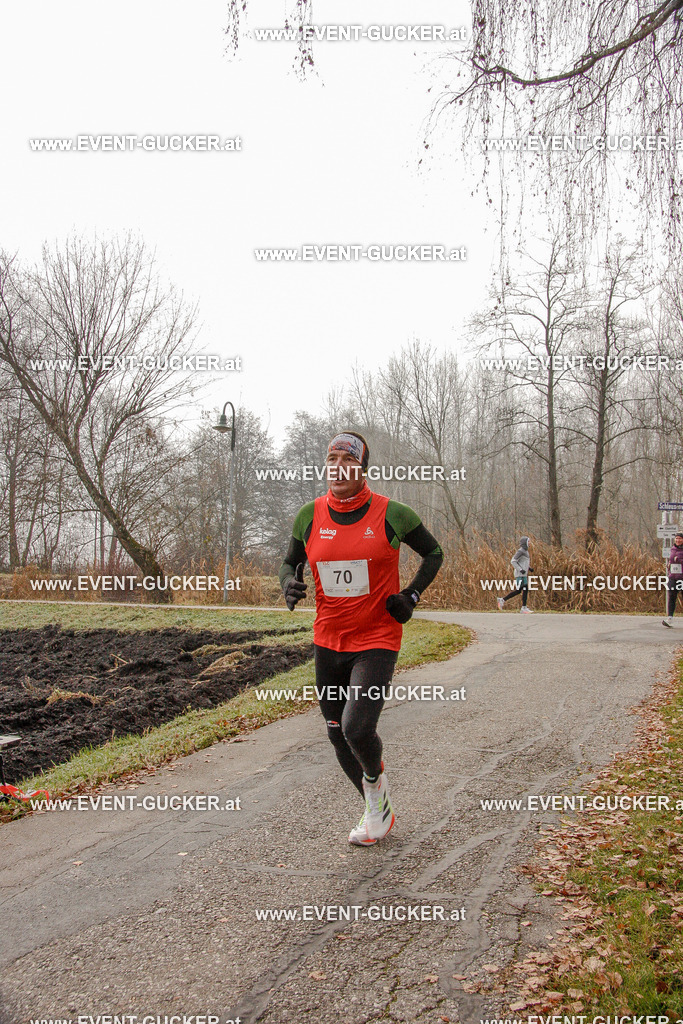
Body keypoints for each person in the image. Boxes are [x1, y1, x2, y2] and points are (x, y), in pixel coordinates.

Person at [279, 431, 443, 846]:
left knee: (356, 727)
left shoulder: (393, 514)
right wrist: (288, 584)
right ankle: (376, 805)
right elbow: (288, 562)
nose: (338, 466)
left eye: (347, 459)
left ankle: (375, 789)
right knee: (335, 730)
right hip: (328, 639)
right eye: (331, 458)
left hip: (376, 638)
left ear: (362, 468)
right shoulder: (309, 515)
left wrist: (411, 594)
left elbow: (434, 553)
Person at [497, 536, 533, 613]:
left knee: (521, 590)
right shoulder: (521, 551)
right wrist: (520, 569)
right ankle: (523, 608)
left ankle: (503, 600)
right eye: (529, 541)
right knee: (522, 589)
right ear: (525, 543)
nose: (530, 543)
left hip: (523, 574)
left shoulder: (525, 551)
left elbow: (523, 562)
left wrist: (529, 568)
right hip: (520, 574)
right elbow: (513, 561)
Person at [662, 532, 683, 627]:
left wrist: (679, 560)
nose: (678, 540)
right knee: (671, 597)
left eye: (680, 539)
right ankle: (669, 618)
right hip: (673, 577)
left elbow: (678, 560)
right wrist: (669, 565)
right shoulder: (673, 549)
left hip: (682, 577)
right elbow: (671, 560)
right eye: (677, 538)